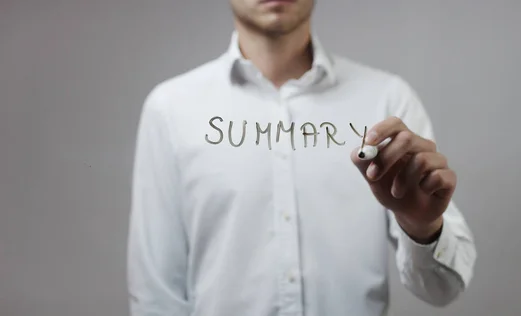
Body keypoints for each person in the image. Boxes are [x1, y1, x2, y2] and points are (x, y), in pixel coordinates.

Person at [127, 0, 477, 315]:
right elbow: (155, 294)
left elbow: (443, 289)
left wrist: (422, 227)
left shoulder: (385, 101)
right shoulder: (171, 109)